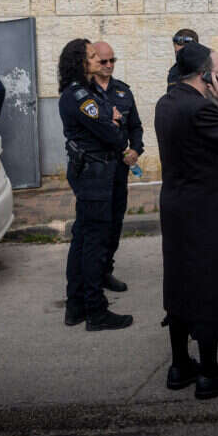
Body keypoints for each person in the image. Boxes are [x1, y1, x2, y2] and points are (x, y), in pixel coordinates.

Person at [155, 42, 218, 400]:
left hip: (179, 207)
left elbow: (200, 136)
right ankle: (210, 373)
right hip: (208, 211)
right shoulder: (201, 110)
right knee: (209, 285)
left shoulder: (169, 101)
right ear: (205, 75)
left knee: (180, 282)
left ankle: (180, 365)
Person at [58, 38, 133, 332]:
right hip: (94, 173)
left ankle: (75, 306)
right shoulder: (79, 96)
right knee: (92, 243)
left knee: (82, 239)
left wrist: (111, 118)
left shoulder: (84, 92)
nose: (96, 60)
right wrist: (111, 121)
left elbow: (111, 123)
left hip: (93, 171)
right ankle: (95, 310)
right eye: (90, 56)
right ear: (80, 62)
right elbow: (114, 136)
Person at [91, 41, 144, 293]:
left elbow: (135, 125)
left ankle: (105, 270)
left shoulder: (122, 91)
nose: (109, 65)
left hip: (119, 168)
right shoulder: (83, 93)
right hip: (95, 168)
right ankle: (91, 273)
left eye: (113, 60)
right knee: (95, 224)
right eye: (104, 61)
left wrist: (136, 149)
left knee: (115, 221)